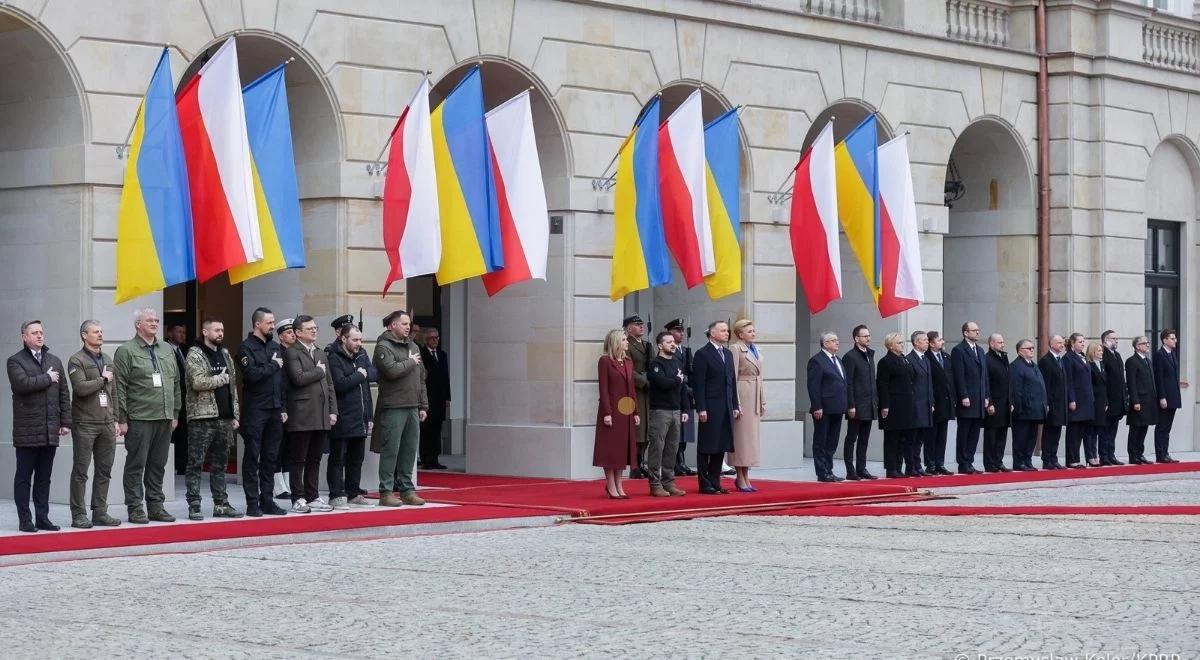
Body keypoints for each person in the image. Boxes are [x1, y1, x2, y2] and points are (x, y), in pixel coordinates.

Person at [115, 308, 182, 524]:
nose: (154, 323)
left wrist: (175, 412)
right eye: (149, 320)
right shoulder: (126, 350)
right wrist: (122, 419)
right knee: (136, 464)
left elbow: (176, 383)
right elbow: (120, 387)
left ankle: (156, 506)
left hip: (164, 417)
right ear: (138, 325)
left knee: (158, 465)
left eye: (156, 320)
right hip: (139, 418)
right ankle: (135, 507)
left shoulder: (166, 348)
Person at [7, 320, 70, 533]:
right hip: (27, 429)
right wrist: (47, 378)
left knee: (44, 478)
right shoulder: (15, 361)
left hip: (49, 430)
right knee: (24, 478)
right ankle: (25, 520)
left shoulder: (54, 360)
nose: (40, 336)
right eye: (34, 333)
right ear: (24, 337)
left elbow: (64, 394)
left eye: (41, 332)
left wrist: (65, 422)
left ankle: (42, 518)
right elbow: (22, 385)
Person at [183, 318, 243, 521]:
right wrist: (220, 379)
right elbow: (197, 382)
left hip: (224, 418)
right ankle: (194, 505)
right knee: (195, 463)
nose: (220, 333)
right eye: (216, 330)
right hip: (202, 417)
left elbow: (232, 386)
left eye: (222, 329)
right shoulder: (194, 353)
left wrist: (235, 414)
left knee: (220, 465)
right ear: (205, 332)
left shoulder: (225, 354)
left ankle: (221, 504)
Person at [66, 320, 121, 529]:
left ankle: (100, 512)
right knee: (81, 470)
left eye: (101, 331)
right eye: (95, 332)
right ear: (83, 335)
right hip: (85, 423)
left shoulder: (107, 359)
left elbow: (113, 392)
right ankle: (78, 514)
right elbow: (80, 388)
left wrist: (115, 419)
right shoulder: (76, 360)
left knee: (104, 470)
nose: (100, 335)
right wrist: (102, 379)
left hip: (106, 423)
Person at [372, 311, 428, 507]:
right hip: (393, 405)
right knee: (391, 450)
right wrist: (410, 361)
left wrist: (423, 405)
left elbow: (421, 378)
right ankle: (386, 491)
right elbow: (392, 371)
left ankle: (407, 490)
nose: (408, 327)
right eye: (404, 323)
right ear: (392, 325)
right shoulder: (383, 346)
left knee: (409, 450)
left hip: (412, 405)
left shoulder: (412, 345)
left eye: (409, 323)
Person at [237, 308, 288, 517]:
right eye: (269, 322)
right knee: (252, 456)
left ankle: (267, 500)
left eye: (273, 322)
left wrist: (283, 407)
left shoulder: (276, 346)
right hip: (256, 409)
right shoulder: (245, 348)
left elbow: (282, 381)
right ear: (257, 324)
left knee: (271, 457)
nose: (272, 326)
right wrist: (273, 365)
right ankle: (252, 502)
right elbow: (251, 375)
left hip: (275, 409)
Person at [284, 315, 337, 513]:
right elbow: (298, 378)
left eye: (315, 328)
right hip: (302, 413)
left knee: (315, 458)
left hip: (322, 413)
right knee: (299, 458)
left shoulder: (321, 353)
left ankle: (312, 495)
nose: (314, 331)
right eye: (309, 329)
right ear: (298, 332)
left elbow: (330, 384)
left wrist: (333, 410)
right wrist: (318, 371)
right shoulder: (292, 352)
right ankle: (297, 498)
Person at [326, 317, 377, 509]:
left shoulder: (361, 355)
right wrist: (359, 374)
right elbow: (339, 384)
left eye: (360, 340)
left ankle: (353, 492)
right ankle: (336, 494)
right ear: (343, 339)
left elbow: (369, 385)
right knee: (338, 458)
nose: (359, 344)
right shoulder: (334, 356)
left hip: (360, 416)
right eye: (355, 340)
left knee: (356, 458)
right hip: (343, 415)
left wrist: (369, 416)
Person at [692, 321, 740, 494]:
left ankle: (715, 481)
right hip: (710, 406)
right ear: (712, 333)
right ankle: (704, 483)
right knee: (707, 445)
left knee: (721, 444)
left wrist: (735, 404)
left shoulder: (727, 354)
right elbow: (699, 384)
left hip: (726, 405)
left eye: (727, 331)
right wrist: (701, 408)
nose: (727, 333)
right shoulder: (702, 354)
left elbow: (731, 381)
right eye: (723, 331)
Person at [594, 329, 639, 498]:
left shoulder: (628, 362)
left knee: (622, 450)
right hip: (611, 412)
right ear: (616, 342)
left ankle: (620, 486)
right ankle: (611, 486)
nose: (627, 342)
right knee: (610, 451)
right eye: (624, 339)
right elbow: (603, 389)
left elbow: (632, 389)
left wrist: (635, 411)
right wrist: (607, 412)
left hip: (626, 411)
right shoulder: (605, 361)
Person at [646, 331, 689, 496]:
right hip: (660, 411)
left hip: (675, 410)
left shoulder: (678, 362)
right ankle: (655, 483)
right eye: (668, 342)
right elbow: (662, 383)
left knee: (672, 447)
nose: (672, 344)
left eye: (673, 341)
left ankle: (668, 481)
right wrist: (676, 380)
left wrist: (685, 408)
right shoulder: (655, 363)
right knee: (657, 447)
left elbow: (682, 387)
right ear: (660, 345)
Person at [806, 332, 847, 482]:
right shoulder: (816, 361)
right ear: (825, 344)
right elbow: (813, 385)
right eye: (833, 340)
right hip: (823, 408)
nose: (837, 342)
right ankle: (822, 472)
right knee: (821, 441)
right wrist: (817, 406)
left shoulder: (838, 360)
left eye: (837, 339)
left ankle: (829, 470)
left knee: (832, 441)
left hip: (838, 407)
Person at [729, 319, 763, 492]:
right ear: (740, 334)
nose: (753, 333)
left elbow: (760, 376)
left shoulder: (755, 349)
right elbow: (732, 376)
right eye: (749, 331)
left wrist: (762, 401)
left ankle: (746, 475)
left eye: (753, 330)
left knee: (751, 440)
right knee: (741, 439)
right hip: (743, 393)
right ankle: (739, 476)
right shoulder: (736, 348)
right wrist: (736, 403)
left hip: (754, 394)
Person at [951, 321, 990, 474]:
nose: (977, 333)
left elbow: (984, 375)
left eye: (978, 330)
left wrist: (986, 395)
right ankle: (963, 462)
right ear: (966, 333)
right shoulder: (959, 350)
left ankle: (970, 461)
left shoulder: (980, 350)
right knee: (964, 431)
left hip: (979, 398)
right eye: (974, 330)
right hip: (967, 399)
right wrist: (963, 395)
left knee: (974, 432)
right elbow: (959, 376)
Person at [876, 333, 916, 479]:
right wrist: (885, 405)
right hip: (893, 405)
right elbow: (883, 385)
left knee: (902, 439)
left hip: (906, 405)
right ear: (890, 345)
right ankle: (891, 468)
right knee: (892, 439)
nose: (902, 344)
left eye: (901, 342)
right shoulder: (885, 362)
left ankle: (899, 467)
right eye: (899, 343)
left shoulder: (904, 359)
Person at [842, 324, 878, 480]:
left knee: (864, 439)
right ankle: (850, 470)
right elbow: (848, 383)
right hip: (856, 405)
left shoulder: (870, 355)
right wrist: (850, 405)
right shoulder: (850, 357)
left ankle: (861, 468)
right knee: (852, 438)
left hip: (869, 404)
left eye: (869, 335)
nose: (868, 338)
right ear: (856, 339)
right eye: (865, 336)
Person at [664, 319, 697, 477]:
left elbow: (691, 373)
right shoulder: (669, 351)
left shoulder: (686, 350)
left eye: (682, 330)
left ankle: (681, 460)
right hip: (676, 393)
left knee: (686, 431)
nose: (681, 333)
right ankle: (676, 462)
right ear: (670, 332)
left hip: (686, 395)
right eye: (678, 330)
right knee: (675, 432)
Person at [1009, 339, 1047, 471]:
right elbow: (1016, 389)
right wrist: (1018, 408)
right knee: (1021, 438)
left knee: (1031, 438)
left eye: (1032, 348)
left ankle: (1027, 460)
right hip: (1024, 410)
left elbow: (1040, 386)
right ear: (1020, 351)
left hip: (1035, 410)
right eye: (1029, 348)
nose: (1032, 350)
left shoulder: (1033, 365)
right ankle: (1019, 462)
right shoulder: (1016, 366)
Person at [623, 315, 651, 478]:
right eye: (637, 324)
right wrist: (644, 381)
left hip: (647, 392)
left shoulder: (647, 345)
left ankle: (641, 462)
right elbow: (628, 369)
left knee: (646, 429)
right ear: (628, 328)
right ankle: (634, 465)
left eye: (642, 325)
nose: (641, 327)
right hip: (636, 390)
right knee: (638, 429)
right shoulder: (627, 345)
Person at [419, 326, 450, 470]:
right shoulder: (421, 354)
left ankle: (435, 457)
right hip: (427, 398)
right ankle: (426, 458)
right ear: (426, 339)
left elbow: (445, 378)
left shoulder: (442, 355)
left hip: (440, 399)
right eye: (432, 338)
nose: (435, 340)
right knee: (427, 430)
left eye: (437, 337)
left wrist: (447, 397)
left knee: (437, 430)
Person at [1037, 335, 1069, 470]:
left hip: (1060, 403)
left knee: (1056, 432)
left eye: (1063, 343)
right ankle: (1047, 459)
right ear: (1051, 344)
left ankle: (1053, 458)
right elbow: (1046, 385)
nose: (1062, 345)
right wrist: (1047, 403)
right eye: (1059, 342)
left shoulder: (1059, 360)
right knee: (1049, 431)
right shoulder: (1046, 361)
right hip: (1052, 403)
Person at [272, 317, 296, 500]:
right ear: (281, 337)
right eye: (288, 332)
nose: (293, 335)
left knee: (290, 447)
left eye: (294, 332)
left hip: (295, 406)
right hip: (282, 405)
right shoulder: (278, 353)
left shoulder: (295, 353)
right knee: (278, 446)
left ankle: (288, 483)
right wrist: (281, 407)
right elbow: (278, 384)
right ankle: (278, 485)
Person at [925, 331, 955, 475]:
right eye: (939, 340)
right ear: (931, 343)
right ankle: (930, 464)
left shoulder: (946, 357)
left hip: (947, 402)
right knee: (931, 435)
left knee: (942, 435)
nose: (942, 342)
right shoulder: (926, 358)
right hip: (934, 401)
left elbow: (951, 379)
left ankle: (939, 463)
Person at [1124, 336, 1157, 465]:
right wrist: (1135, 401)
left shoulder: (1148, 361)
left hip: (1149, 401)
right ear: (1137, 346)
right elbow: (1131, 383)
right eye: (1144, 343)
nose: (1147, 345)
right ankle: (1133, 455)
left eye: (1148, 343)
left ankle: (1140, 453)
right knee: (1135, 429)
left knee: (1144, 428)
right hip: (1139, 401)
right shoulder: (1132, 361)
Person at [1152, 328, 1183, 463]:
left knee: (1167, 427)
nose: (1175, 340)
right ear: (1165, 340)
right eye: (1172, 338)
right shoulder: (1159, 355)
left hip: (1173, 396)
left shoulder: (1172, 354)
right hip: (1165, 397)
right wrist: (1162, 397)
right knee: (1162, 426)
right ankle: (1160, 454)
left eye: (1175, 338)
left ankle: (1165, 452)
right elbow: (1159, 378)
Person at [1063, 332, 1094, 469]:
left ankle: (1078, 457)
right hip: (1076, 400)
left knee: (1082, 431)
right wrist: (1071, 399)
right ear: (1072, 343)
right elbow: (1069, 380)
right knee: (1074, 432)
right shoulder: (1068, 358)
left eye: (1083, 341)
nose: (1083, 344)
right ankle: (1072, 459)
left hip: (1086, 400)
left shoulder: (1083, 357)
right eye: (1080, 341)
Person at [981, 333, 1011, 472]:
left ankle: (998, 461)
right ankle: (990, 463)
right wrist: (989, 403)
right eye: (999, 342)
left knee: (1002, 434)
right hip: (994, 403)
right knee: (991, 435)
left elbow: (1008, 381)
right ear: (992, 344)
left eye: (1003, 342)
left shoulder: (1003, 358)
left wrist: (1011, 401)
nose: (1002, 344)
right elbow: (986, 383)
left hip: (1005, 402)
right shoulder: (987, 359)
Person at [905, 331, 933, 477]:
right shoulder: (909, 359)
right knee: (912, 438)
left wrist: (931, 402)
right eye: (924, 340)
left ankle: (918, 464)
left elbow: (929, 384)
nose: (927, 342)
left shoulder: (926, 359)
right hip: (915, 405)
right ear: (916, 342)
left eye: (928, 340)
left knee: (921, 438)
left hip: (926, 404)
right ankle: (911, 466)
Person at [1099, 330, 1127, 465]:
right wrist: (1105, 400)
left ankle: (1111, 454)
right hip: (1108, 399)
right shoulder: (1103, 354)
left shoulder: (1117, 355)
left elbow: (1121, 378)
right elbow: (1104, 380)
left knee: (1113, 429)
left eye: (1117, 339)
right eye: (1113, 338)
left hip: (1118, 399)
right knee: (1105, 429)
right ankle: (1104, 456)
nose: (1116, 341)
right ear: (1105, 340)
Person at [166, 322, 189, 476]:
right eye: (178, 331)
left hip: (184, 400)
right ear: (170, 334)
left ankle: (182, 465)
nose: (182, 335)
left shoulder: (184, 351)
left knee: (183, 433)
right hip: (171, 399)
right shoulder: (165, 350)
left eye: (183, 332)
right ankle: (170, 466)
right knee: (170, 434)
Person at [1084, 343, 1108, 467]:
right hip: (1093, 401)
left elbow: (1105, 385)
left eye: (1101, 351)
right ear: (1093, 352)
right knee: (1090, 431)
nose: (1101, 353)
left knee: (1097, 430)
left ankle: (1095, 454)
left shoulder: (1101, 364)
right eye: (1098, 351)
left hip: (1101, 402)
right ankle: (1090, 456)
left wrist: (1106, 402)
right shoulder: (1090, 365)